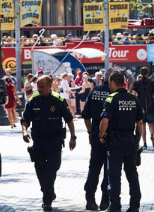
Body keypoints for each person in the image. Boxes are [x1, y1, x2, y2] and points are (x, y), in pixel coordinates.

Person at [21, 76, 77, 211]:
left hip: (55, 141)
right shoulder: (33, 100)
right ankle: (47, 194)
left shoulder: (59, 100)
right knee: (41, 170)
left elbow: (69, 119)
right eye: (38, 87)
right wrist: (24, 131)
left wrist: (73, 137)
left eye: (42, 87)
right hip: (38, 141)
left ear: (50, 86)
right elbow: (25, 119)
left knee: (52, 168)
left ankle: (47, 197)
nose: (39, 89)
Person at [99, 71, 143, 212]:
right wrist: (137, 140)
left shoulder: (111, 99)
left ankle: (115, 205)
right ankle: (135, 205)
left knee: (114, 175)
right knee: (132, 174)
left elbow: (105, 120)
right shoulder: (132, 98)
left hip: (115, 142)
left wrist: (101, 135)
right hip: (130, 140)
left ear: (112, 82)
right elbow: (140, 123)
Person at [82, 68, 117, 211]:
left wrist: (90, 131)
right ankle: (105, 200)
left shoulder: (95, 91)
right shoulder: (115, 94)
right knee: (109, 169)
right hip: (111, 135)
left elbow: (85, 114)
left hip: (96, 132)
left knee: (94, 168)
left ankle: (90, 199)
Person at [132, 67, 154, 150]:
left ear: (140, 73)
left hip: (141, 105)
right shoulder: (151, 82)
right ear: (147, 73)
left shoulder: (137, 83)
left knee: (142, 125)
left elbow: (134, 94)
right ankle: (152, 135)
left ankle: (145, 143)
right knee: (151, 123)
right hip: (150, 105)